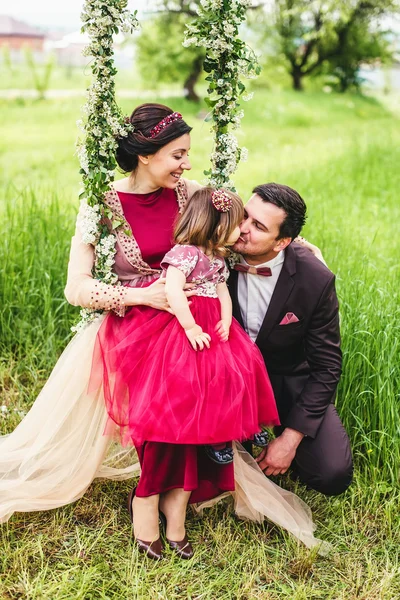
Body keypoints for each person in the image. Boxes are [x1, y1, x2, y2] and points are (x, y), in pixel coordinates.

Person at [0, 104, 329, 559]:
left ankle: (187, 488)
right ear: (145, 155)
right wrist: (143, 297)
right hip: (134, 325)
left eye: (187, 154)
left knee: (196, 398)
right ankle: (152, 497)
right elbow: (76, 288)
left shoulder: (189, 192)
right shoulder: (100, 203)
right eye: (177, 154)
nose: (187, 164)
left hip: (188, 325)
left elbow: (235, 223)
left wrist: (303, 251)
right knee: (156, 418)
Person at [90, 186, 280, 557]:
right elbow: (174, 291)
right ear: (214, 224)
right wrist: (191, 325)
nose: (242, 229)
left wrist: (225, 321)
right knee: (174, 405)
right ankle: (149, 498)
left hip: (213, 333)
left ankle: (185, 493)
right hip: (180, 332)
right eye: (236, 223)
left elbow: (223, 292)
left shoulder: (217, 257)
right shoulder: (185, 254)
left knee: (218, 392)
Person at [228, 183, 353, 496]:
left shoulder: (315, 280)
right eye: (245, 215)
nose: (242, 228)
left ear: (282, 241)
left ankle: (281, 442)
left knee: (331, 474)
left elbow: (327, 365)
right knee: (213, 472)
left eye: (258, 226)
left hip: (288, 381)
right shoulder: (215, 255)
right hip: (228, 382)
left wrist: (290, 439)